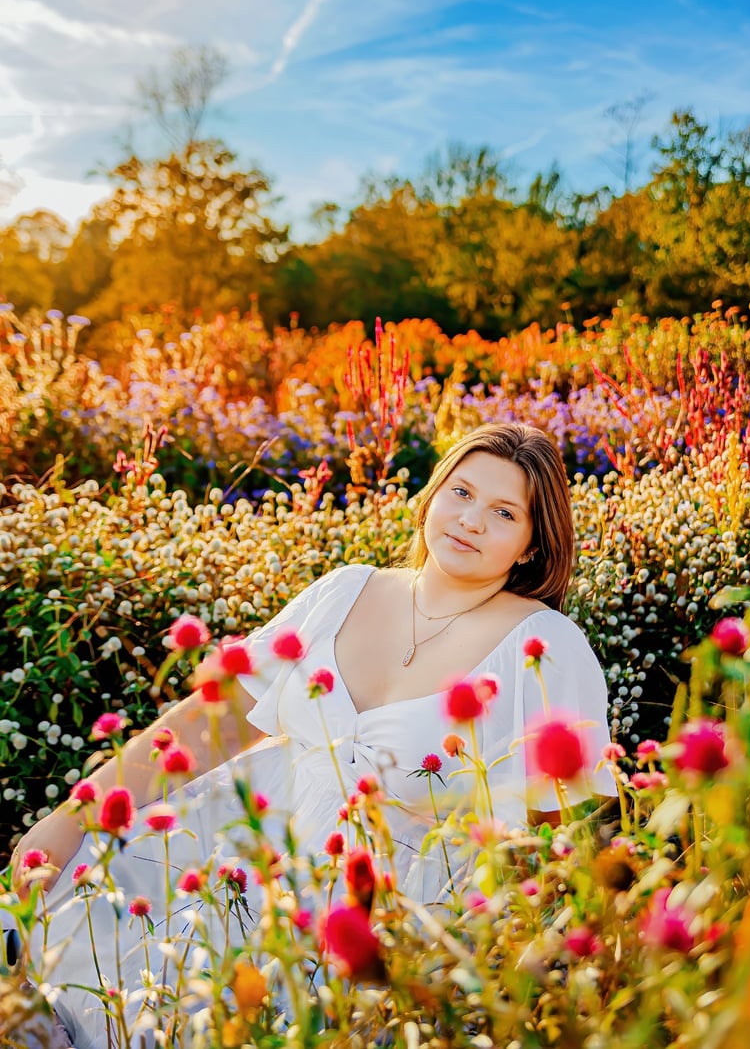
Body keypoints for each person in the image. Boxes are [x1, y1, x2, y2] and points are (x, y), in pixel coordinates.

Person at [8, 422, 616, 1048]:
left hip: (393, 918)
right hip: (241, 859)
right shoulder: (346, 591)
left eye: (504, 511)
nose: (471, 521)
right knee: (98, 973)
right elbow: (207, 723)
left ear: (530, 545)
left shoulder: (544, 646)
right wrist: (70, 819)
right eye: (460, 493)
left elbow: (561, 829)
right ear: (432, 495)